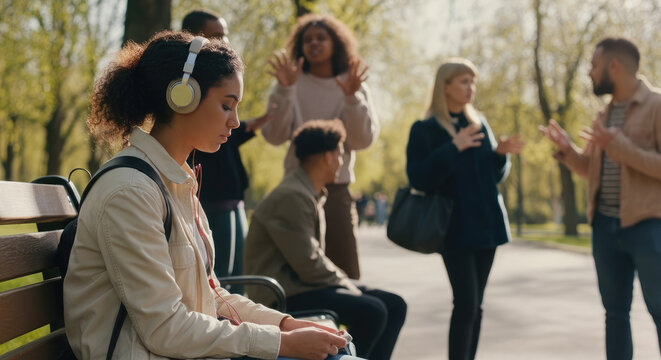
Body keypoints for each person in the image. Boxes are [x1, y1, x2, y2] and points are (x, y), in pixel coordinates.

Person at [63, 31, 359, 360]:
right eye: (226, 105)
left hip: (178, 350)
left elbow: (213, 295)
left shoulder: (175, 180)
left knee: (339, 351)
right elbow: (164, 328)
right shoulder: (131, 191)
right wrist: (281, 344)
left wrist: (287, 325)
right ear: (182, 96)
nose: (235, 122)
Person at [539, 37, 661, 359]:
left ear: (614, 66)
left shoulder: (657, 106)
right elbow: (592, 169)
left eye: (594, 65)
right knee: (615, 314)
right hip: (605, 226)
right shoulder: (604, 114)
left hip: (648, 226)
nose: (590, 73)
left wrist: (620, 147)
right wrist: (567, 152)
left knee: (660, 310)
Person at [244, 120, 407, 359]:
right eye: (340, 155)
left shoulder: (307, 190)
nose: (342, 162)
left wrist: (347, 285)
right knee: (373, 311)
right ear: (327, 157)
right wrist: (349, 285)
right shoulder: (292, 195)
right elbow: (309, 264)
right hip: (283, 294)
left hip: (302, 285)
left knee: (395, 305)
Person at [406, 58, 523, 360]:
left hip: (487, 227)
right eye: (464, 81)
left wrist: (500, 155)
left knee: (476, 305)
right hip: (454, 230)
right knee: (466, 303)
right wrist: (452, 147)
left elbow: (493, 177)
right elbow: (418, 178)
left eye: (473, 81)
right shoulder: (425, 129)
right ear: (445, 87)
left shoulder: (479, 123)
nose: (471, 88)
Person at [261, 14, 379, 280]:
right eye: (307, 39)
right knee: (299, 274)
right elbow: (274, 136)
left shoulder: (353, 84)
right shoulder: (289, 82)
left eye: (321, 38)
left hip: (336, 190)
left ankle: (344, 324)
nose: (314, 43)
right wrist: (285, 90)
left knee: (344, 274)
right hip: (295, 187)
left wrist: (351, 97)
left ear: (336, 44)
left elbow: (362, 141)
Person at [182, 9, 273, 293]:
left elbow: (232, 133)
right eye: (218, 35)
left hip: (233, 201)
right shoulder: (191, 88)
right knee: (219, 282)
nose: (225, 40)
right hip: (212, 202)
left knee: (235, 283)